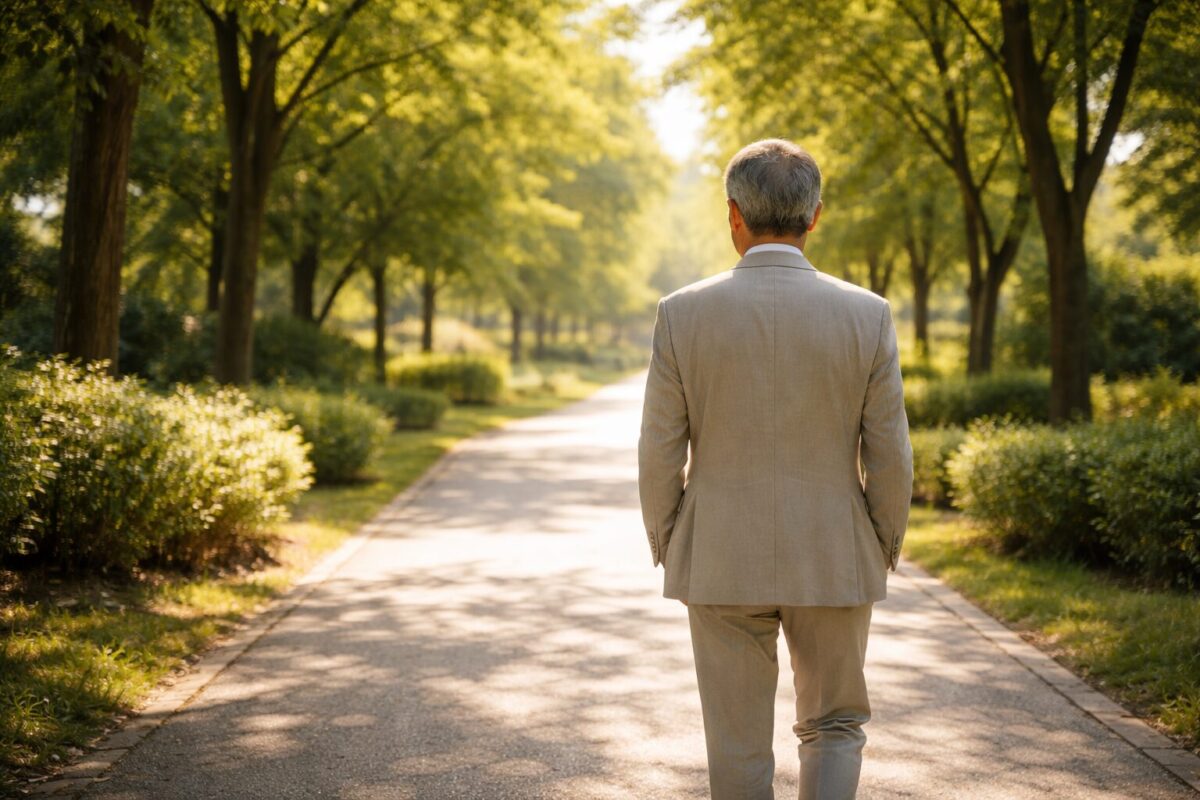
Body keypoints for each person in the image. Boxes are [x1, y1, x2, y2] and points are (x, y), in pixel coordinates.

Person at [638, 138, 913, 800]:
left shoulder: (682, 313)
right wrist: (881, 542)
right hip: (834, 552)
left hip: (719, 554)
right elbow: (891, 453)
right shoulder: (867, 316)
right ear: (815, 215)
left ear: (732, 214)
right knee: (836, 723)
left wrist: (670, 537)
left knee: (734, 742)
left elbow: (658, 448)